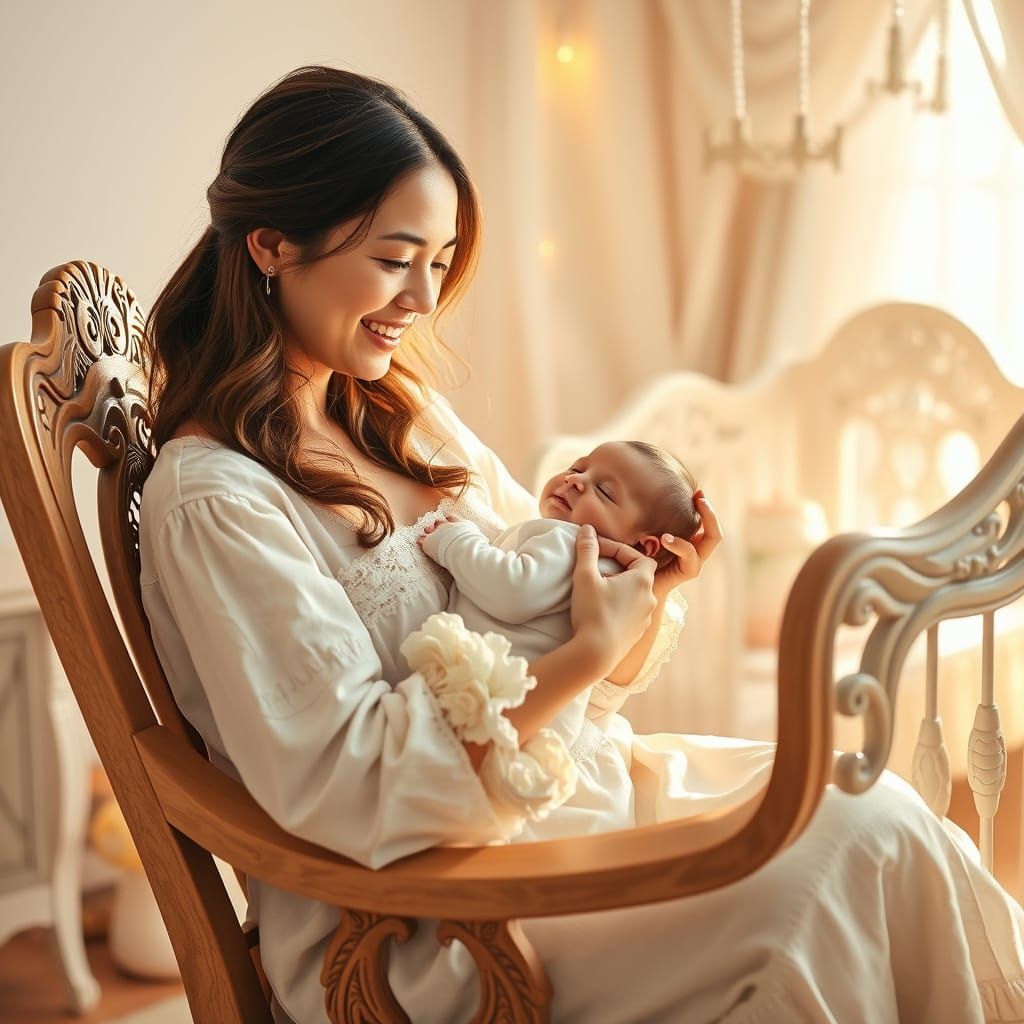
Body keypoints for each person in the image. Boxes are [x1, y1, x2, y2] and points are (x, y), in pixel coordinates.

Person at [138, 65, 1024, 1023]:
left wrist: (638, 587)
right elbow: (353, 786)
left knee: (875, 816)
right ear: (271, 245)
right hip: (422, 921)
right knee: (814, 893)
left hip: (564, 801)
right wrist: (589, 652)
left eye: (439, 262)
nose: (423, 300)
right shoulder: (217, 500)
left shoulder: (399, 411)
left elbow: (555, 603)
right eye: (396, 260)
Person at [416, 440, 701, 755]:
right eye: (577, 468)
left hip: (499, 703)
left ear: (645, 546)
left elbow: (512, 591)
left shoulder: (568, 541)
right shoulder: (612, 579)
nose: (575, 480)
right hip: (538, 723)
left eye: (604, 491)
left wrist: (456, 543)